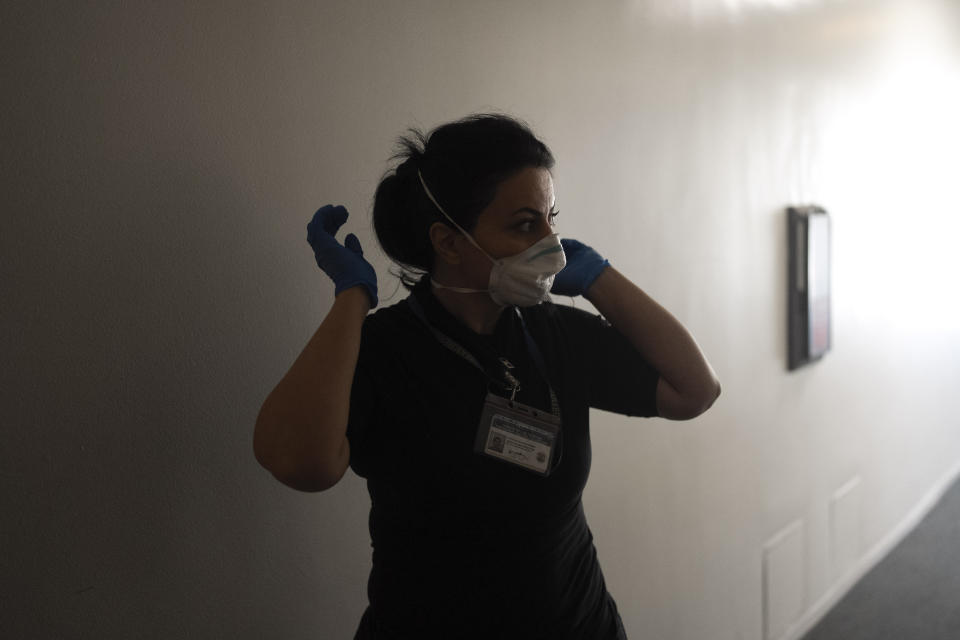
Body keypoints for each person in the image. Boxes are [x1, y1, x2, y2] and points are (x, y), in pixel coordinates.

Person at [253, 114, 721, 639]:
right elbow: (300, 464)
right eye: (526, 224)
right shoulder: (384, 350)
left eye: (551, 218)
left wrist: (598, 278)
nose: (552, 242)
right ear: (448, 243)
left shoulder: (551, 331)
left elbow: (694, 390)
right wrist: (352, 299)